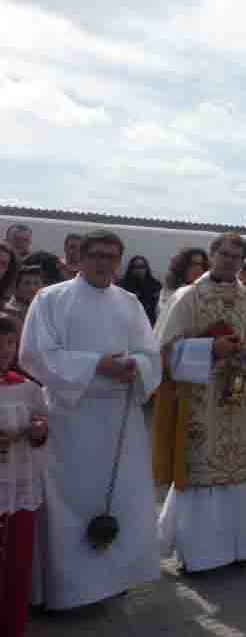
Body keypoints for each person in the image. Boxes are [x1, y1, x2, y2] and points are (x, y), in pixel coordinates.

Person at [19, 229, 162, 611]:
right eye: (97, 255)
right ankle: (67, 592)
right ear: (80, 257)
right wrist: (97, 365)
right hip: (71, 419)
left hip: (120, 422)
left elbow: (151, 355)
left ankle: (112, 581)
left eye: (112, 256)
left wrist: (135, 366)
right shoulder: (52, 299)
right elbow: (33, 353)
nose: (104, 263)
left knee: (119, 498)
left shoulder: (129, 302)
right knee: (69, 504)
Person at [152, 233, 246, 573]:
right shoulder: (188, 297)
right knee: (201, 476)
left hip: (239, 403)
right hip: (199, 406)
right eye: (226, 254)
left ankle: (238, 550)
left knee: (238, 476)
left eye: (238, 256)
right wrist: (209, 350)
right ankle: (200, 557)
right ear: (213, 254)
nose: (231, 261)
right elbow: (162, 350)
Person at [0, 315, 48, 637]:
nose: (3, 350)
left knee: (17, 563)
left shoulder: (28, 388)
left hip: (19, 487)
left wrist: (39, 431)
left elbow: (41, 433)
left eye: (8, 343)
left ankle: (12, 625)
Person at [159, 247, 209, 321]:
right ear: (182, 266)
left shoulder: (208, 289)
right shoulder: (171, 292)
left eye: (201, 264)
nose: (198, 268)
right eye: (193, 264)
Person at [119, 256, 162, 326]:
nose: (139, 270)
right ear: (131, 269)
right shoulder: (123, 287)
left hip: (150, 324)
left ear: (146, 268)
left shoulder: (155, 286)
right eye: (135, 267)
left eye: (141, 266)